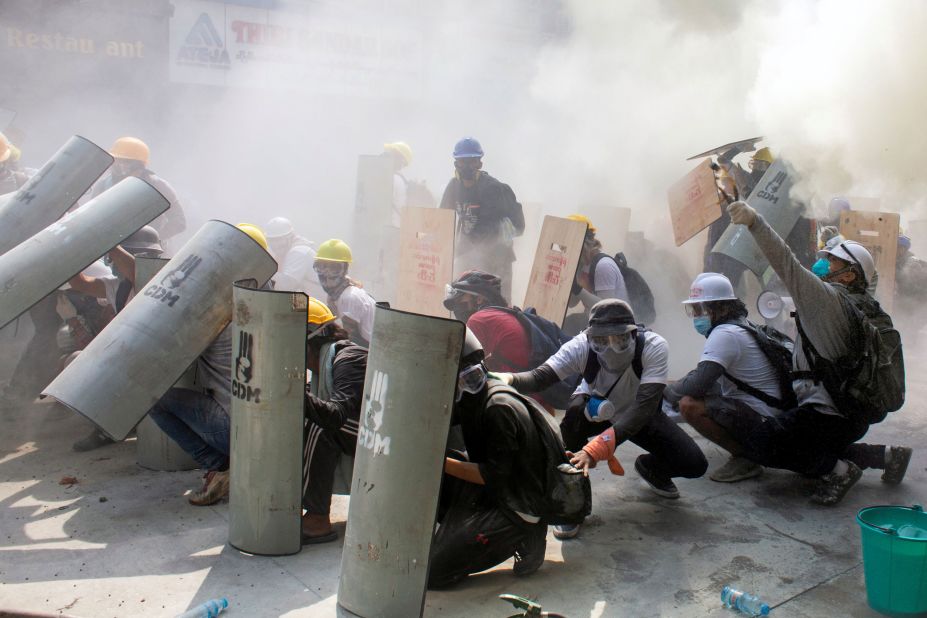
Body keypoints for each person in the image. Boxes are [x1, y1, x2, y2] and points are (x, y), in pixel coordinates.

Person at [727, 200, 912, 505]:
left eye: (831, 261)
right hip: (853, 412)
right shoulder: (864, 304)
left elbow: (786, 263)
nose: (822, 262)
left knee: (761, 442)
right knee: (811, 443)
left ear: (849, 275)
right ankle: (886, 456)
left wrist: (754, 222)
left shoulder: (827, 299)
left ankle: (839, 471)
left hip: (827, 414)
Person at [495, 299, 708, 539]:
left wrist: (598, 447)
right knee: (571, 430)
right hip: (594, 410)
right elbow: (541, 377)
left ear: (633, 333)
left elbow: (645, 406)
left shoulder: (653, 346)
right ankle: (571, 507)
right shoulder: (580, 346)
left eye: (618, 340)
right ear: (589, 337)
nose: (608, 348)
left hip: (638, 414)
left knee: (693, 463)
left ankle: (651, 468)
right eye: (599, 341)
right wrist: (507, 380)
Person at [428, 330, 549, 589]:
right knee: (438, 464)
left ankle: (527, 535)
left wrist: (436, 461)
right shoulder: (471, 396)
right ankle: (461, 533)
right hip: (496, 491)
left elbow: (492, 475)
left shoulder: (498, 408)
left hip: (516, 505)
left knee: (434, 574)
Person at [666, 273, 790, 483]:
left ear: (722, 308)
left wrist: (667, 392)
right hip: (773, 412)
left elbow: (698, 383)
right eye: (694, 310)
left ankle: (747, 458)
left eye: (701, 309)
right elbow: (708, 378)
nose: (697, 316)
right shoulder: (738, 325)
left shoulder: (725, 334)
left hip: (767, 422)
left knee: (689, 405)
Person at [443, 269, 575, 412]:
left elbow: (457, 368)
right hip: (538, 405)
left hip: (521, 407)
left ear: (479, 298)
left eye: (461, 297)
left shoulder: (480, 319)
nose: (457, 304)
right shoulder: (505, 312)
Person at [301, 299, 367, 544]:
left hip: (389, 438)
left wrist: (292, 392)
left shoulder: (346, 358)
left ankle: (317, 519)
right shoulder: (323, 366)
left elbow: (336, 416)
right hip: (362, 430)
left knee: (321, 425)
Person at [439, 137, 525, 300]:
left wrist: (460, 255)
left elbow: (486, 231)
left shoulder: (492, 188)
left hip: (498, 258)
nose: (466, 166)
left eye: (471, 161)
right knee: (465, 302)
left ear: (480, 163)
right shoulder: (454, 187)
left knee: (498, 302)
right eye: (462, 162)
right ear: (456, 164)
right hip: (470, 252)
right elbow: (443, 218)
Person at [91, 137, 186, 248]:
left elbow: (179, 221)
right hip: (113, 251)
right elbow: (93, 221)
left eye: (125, 162)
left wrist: (153, 240)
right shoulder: (103, 186)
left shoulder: (158, 186)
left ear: (139, 165)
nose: (118, 165)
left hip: (149, 254)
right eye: (116, 160)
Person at [313, 239, 376, 347]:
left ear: (345, 270)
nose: (326, 274)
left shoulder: (349, 298)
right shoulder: (338, 294)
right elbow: (327, 320)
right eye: (321, 267)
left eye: (334, 268)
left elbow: (350, 341)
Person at [262, 216, 323, 298]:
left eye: (279, 240)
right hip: (305, 301)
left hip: (316, 303)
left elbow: (286, 286)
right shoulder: (286, 253)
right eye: (272, 240)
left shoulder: (299, 252)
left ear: (290, 237)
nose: (275, 245)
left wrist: (262, 273)